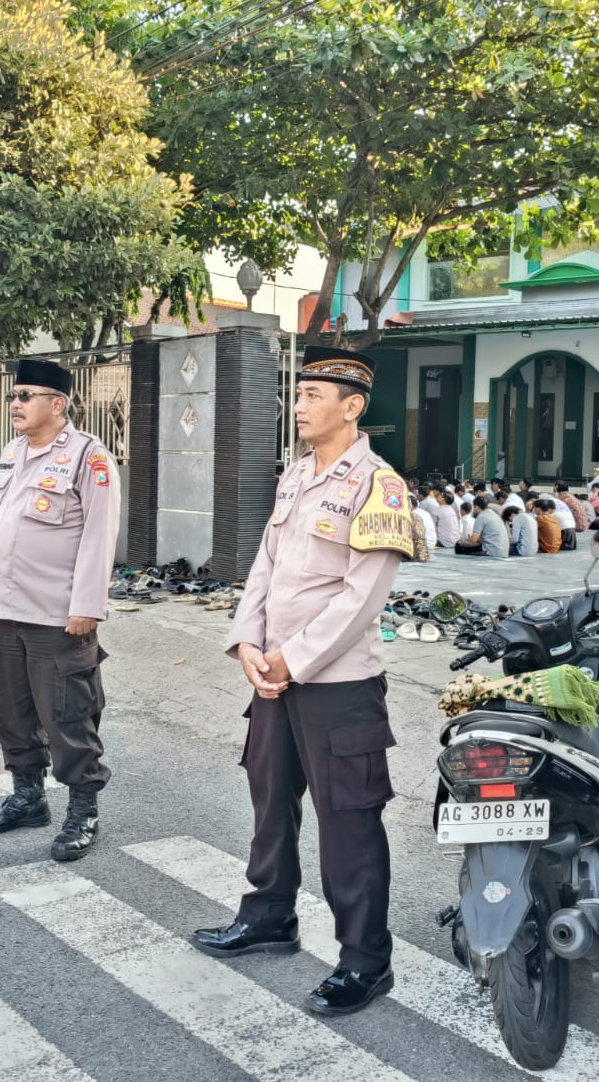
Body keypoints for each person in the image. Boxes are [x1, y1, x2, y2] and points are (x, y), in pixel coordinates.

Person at [196, 345, 408, 1017]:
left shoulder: (381, 485)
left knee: (348, 823)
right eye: (301, 393)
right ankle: (268, 917)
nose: (301, 405)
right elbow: (266, 567)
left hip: (338, 686)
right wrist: (248, 644)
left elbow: (362, 595)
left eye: (316, 396)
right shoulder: (293, 478)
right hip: (274, 680)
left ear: (353, 407)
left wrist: (294, 658)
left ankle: (365, 961)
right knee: (269, 803)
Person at [0, 359, 122, 861]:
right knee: (10, 708)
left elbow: (99, 535)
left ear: (58, 404)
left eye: (27, 395)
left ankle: (82, 811)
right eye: (15, 395)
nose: (16, 403)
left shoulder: (88, 458)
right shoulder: (12, 454)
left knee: (67, 715)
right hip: (9, 610)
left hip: (58, 615)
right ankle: (29, 798)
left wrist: (88, 605)